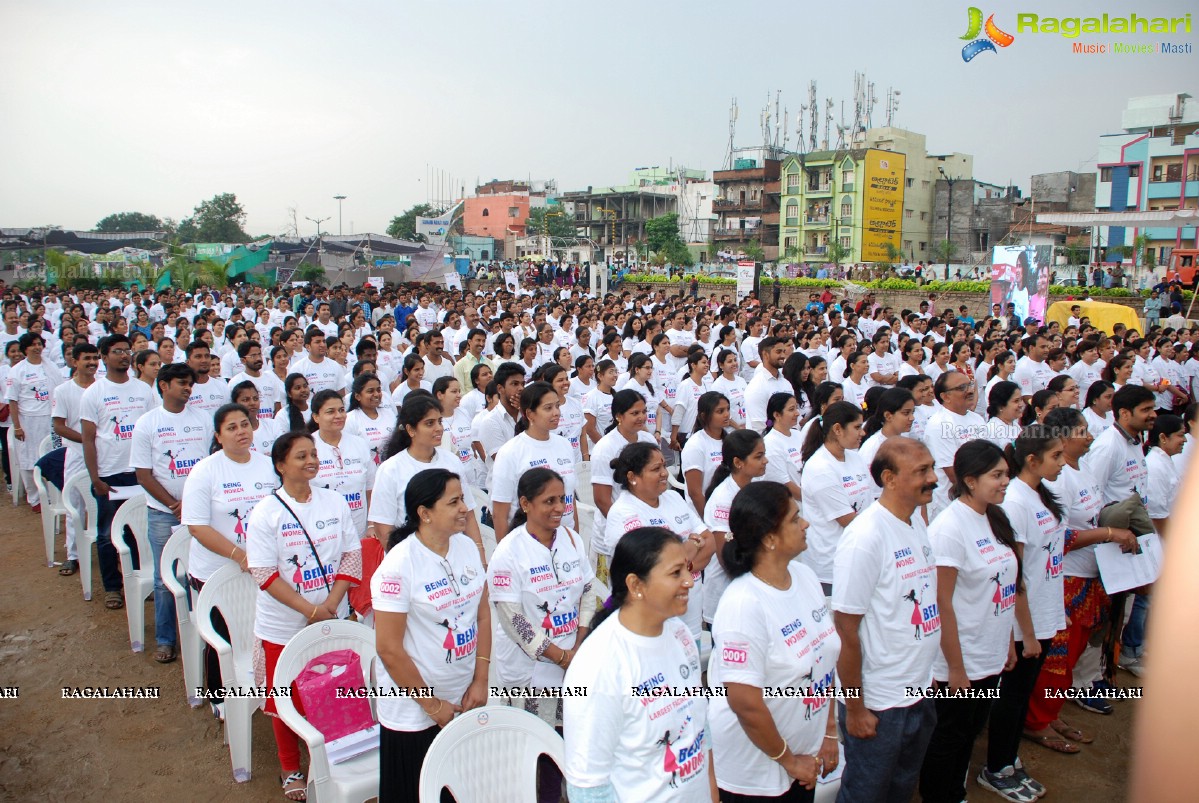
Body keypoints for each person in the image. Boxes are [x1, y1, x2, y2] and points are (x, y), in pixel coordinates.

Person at [246, 431, 361, 802]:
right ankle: (290, 766)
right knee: (285, 697)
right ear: (281, 465)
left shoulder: (334, 502)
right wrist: (309, 609)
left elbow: (350, 556)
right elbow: (264, 573)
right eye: (301, 456)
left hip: (333, 615)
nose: (311, 460)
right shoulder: (266, 513)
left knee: (335, 688)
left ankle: (337, 757)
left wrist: (330, 603)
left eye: (313, 454)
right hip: (283, 625)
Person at [562, 527, 717, 801]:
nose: (689, 582)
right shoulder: (599, 665)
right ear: (636, 585)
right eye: (675, 573)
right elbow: (588, 788)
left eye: (687, 570)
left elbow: (700, 735)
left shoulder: (680, 634)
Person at [710, 481, 840, 802]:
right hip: (756, 771)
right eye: (795, 519)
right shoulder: (743, 604)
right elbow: (744, 702)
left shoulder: (805, 577)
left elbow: (824, 662)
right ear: (770, 539)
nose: (806, 523)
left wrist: (828, 731)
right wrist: (789, 760)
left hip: (803, 754)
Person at [372, 468, 490, 803]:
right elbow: (389, 649)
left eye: (463, 499)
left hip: (463, 696)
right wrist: (431, 704)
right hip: (414, 712)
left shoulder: (466, 548)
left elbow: (482, 615)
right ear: (424, 514)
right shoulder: (399, 565)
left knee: (460, 788)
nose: (464, 508)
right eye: (453, 502)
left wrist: (480, 679)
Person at [832, 438, 940, 803]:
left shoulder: (915, 522)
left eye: (931, 468)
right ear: (890, 479)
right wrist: (857, 707)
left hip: (918, 690)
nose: (933, 479)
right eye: (922, 471)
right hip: (880, 703)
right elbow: (845, 631)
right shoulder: (865, 538)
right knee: (866, 793)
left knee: (902, 786)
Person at [918, 440, 1021, 803]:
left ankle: (954, 792)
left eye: (1006, 473)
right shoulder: (950, 528)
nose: (1006, 481)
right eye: (997, 475)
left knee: (970, 732)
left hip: (989, 652)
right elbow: (940, 602)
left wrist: (1008, 641)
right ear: (970, 480)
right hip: (960, 660)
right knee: (949, 737)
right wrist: (956, 668)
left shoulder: (993, 516)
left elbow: (1005, 586)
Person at [487, 467, 595, 803]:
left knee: (568, 738)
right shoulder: (508, 553)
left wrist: (578, 643)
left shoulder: (572, 539)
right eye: (548, 501)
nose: (558, 507)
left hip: (571, 660)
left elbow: (588, 591)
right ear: (525, 503)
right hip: (532, 671)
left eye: (562, 499)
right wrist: (561, 657)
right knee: (535, 746)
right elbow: (514, 621)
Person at [981, 424, 1068, 799]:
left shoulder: (1038, 493)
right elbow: (1014, 574)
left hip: (1044, 611)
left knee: (1022, 692)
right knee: (1010, 697)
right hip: (1022, 620)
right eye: (1056, 456)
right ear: (1032, 460)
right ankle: (996, 766)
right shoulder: (1015, 501)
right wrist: (1026, 632)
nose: (1063, 463)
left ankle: (1010, 759)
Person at [181, 403, 279, 713]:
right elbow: (196, 526)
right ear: (218, 436)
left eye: (245, 425)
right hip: (216, 570)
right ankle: (220, 698)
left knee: (260, 628)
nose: (241, 432)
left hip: (262, 566)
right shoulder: (205, 472)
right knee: (224, 634)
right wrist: (238, 555)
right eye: (232, 427)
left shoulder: (268, 466)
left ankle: (264, 686)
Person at [129, 363, 212, 664]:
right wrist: (175, 505)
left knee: (203, 573)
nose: (188, 388)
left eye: (190, 383)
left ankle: (208, 634)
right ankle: (166, 639)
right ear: (163, 385)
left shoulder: (203, 418)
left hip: (201, 513)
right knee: (165, 577)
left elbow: (208, 466)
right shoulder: (147, 423)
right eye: (181, 383)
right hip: (164, 514)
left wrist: (193, 505)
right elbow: (143, 474)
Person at [603, 442, 714, 641]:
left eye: (664, 465)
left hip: (690, 616)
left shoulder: (673, 498)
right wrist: (690, 550)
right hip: (653, 623)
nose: (665, 473)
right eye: (656, 469)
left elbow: (710, 541)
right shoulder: (624, 513)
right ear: (632, 477)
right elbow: (648, 567)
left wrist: (682, 561)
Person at [1081, 385, 1156, 677]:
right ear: (1125, 413)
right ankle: (1086, 680)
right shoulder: (1108, 445)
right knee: (1102, 616)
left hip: (1129, 539)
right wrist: (1111, 534)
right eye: (1146, 410)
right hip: (1111, 542)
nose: (1153, 415)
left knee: (1119, 611)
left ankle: (1104, 670)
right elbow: (1094, 496)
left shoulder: (1135, 441)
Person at [80, 334, 156, 610]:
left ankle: (139, 579)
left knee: (139, 531)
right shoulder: (94, 393)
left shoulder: (144, 391)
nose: (124, 356)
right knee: (107, 533)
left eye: (127, 351)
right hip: (110, 474)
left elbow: (152, 432)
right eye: (117, 351)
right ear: (104, 356)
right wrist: (95, 478)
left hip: (140, 473)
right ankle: (112, 586)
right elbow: (88, 438)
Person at [368, 394, 485, 556]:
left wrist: (480, 557)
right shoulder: (391, 469)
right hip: (414, 558)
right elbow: (383, 529)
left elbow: (469, 516)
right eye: (429, 423)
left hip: (455, 555)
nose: (438, 428)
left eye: (439, 421)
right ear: (410, 430)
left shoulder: (452, 461)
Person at [799, 401, 872, 596]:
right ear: (838, 429)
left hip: (860, 555)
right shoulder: (820, 468)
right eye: (857, 427)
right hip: (833, 564)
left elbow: (870, 503)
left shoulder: (855, 457)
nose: (862, 433)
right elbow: (847, 519)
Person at [490, 381, 578, 540]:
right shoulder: (511, 452)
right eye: (548, 408)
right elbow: (500, 514)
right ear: (530, 414)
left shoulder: (564, 445)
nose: (556, 412)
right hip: (527, 542)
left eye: (557, 406)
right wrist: (506, 553)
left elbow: (570, 499)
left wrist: (574, 538)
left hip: (564, 538)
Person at [700, 430, 767, 628]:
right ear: (738, 462)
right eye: (758, 456)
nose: (765, 461)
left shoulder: (755, 486)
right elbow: (726, 558)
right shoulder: (723, 499)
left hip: (755, 591)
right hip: (727, 595)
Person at [588, 390, 657, 581]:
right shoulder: (605, 448)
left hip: (646, 527)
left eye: (644, 411)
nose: (642, 417)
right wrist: (627, 530)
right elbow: (602, 500)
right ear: (619, 416)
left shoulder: (648, 440)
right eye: (635, 413)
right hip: (616, 534)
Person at [50, 342, 99, 577]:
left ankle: (106, 550)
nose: (91, 362)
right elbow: (58, 426)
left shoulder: (102, 388)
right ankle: (73, 555)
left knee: (104, 503)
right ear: (74, 362)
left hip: (104, 455)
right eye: (86, 358)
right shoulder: (63, 391)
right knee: (75, 504)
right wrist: (86, 440)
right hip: (77, 454)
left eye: (94, 358)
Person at [6, 332, 64, 511]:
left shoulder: (51, 366)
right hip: (28, 421)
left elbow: (60, 390)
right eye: (33, 344)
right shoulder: (17, 371)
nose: (37, 347)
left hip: (51, 418)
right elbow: (12, 401)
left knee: (53, 456)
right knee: (28, 459)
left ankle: (55, 495)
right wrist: (17, 426)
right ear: (25, 349)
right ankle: (35, 498)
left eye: (39, 344)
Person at [307, 389, 375, 537]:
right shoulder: (307, 447)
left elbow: (370, 489)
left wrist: (371, 524)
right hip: (321, 533)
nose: (338, 416)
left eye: (341, 410)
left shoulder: (360, 444)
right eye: (330, 412)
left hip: (359, 532)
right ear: (316, 417)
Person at [924, 370, 985, 519]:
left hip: (979, 497)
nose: (970, 391)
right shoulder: (939, 424)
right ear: (945, 396)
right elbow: (953, 473)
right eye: (962, 388)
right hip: (952, 505)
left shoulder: (977, 419)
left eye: (969, 385)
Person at [679, 391, 731, 514]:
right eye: (720, 411)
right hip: (704, 514)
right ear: (704, 416)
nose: (727, 414)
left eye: (728, 409)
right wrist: (709, 521)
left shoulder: (730, 440)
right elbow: (695, 493)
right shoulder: (695, 445)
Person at [858, 387, 915, 483]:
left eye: (913, 412)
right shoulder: (873, 447)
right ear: (888, 416)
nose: (912, 418)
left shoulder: (906, 439)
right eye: (906, 413)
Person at [345, 372, 395, 466]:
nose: (376, 394)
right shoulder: (350, 419)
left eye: (378, 390)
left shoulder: (389, 413)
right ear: (358, 396)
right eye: (370, 391)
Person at [762, 393, 805, 501]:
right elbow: (785, 485)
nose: (797, 413)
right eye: (791, 409)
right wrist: (813, 501)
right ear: (777, 415)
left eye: (796, 408)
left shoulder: (798, 435)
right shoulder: (770, 444)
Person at [745, 337, 792, 432]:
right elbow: (759, 427)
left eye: (784, 351)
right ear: (766, 354)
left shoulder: (785, 383)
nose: (783, 355)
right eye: (778, 352)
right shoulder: (757, 386)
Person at [231, 380, 284, 456]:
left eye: (255, 399)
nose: (252, 403)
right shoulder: (233, 434)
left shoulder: (272, 425)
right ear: (235, 403)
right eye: (246, 400)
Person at [712, 349, 748, 429]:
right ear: (721, 365)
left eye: (735, 360)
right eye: (730, 361)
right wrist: (738, 428)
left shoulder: (741, 380)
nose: (734, 363)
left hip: (747, 427)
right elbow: (720, 411)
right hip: (731, 431)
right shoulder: (718, 385)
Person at [985, 381, 1025, 450]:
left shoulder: (1015, 425)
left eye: (1021, 399)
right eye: (1016, 401)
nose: (1021, 404)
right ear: (1000, 407)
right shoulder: (991, 430)